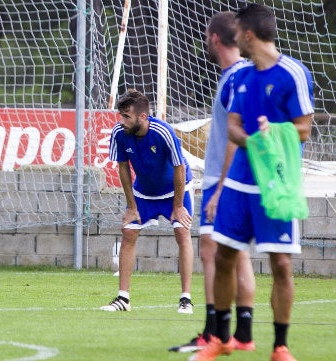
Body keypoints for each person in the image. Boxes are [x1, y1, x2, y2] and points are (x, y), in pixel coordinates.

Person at [190, 3, 314, 361]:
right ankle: (222, 338)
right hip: (239, 183)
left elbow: (304, 129)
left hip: (275, 184)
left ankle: (280, 346)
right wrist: (254, 140)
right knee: (224, 255)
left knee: (281, 263)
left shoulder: (293, 73)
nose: (235, 38)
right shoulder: (241, 77)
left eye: (238, 31)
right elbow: (232, 127)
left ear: (248, 34)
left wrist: (270, 133)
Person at [169, 11, 256, 353]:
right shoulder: (235, 76)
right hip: (234, 183)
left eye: (207, 35)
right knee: (236, 257)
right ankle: (241, 334)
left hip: (226, 184)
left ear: (215, 39)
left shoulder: (236, 78)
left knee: (211, 253)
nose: (205, 40)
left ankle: (214, 333)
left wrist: (220, 188)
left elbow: (237, 135)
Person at [101, 89, 195, 314]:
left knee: (182, 232)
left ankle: (186, 299)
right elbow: (123, 168)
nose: (121, 121)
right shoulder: (119, 133)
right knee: (128, 232)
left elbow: (179, 168)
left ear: (142, 117)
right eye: (121, 116)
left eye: (126, 116)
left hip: (175, 189)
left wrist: (178, 206)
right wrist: (132, 207)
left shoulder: (163, 132)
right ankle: (123, 299)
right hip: (144, 191)